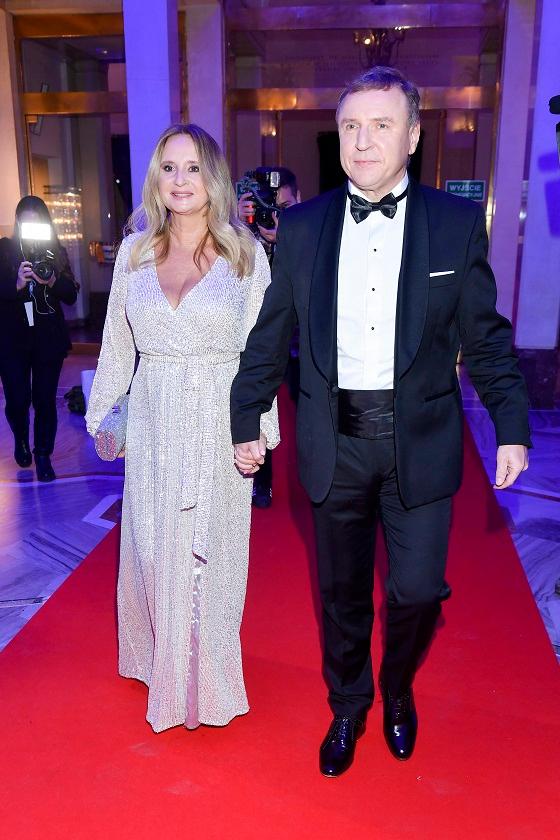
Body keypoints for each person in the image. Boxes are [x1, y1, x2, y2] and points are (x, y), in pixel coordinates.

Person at [231, 66, 531, 776]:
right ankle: (349, 703)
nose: (362, 142)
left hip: (419, 443)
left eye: (381, 125)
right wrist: (246, 416)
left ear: (414, 136)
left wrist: (512, 425)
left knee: (418, 590)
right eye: (351, 127)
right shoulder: (302, 228)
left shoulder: (454, 226)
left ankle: (398, 686)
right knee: (339, 595)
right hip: (333, 441)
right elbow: (270, 336)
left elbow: (485, 337)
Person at [85, 124, 279, 733]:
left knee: (213, 553)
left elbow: (262, 353)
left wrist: (257, 430)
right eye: (169, 168)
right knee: (153, 547)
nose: (180, 180)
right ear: (155, 179)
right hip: (153, 420)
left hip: (220, 419)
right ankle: (162, 663)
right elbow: (117, 344)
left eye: (193, 167)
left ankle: (210, 681)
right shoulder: (134, 254)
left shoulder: (245, 254)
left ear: (213, 176)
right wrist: (105, 413)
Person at [0, 195, 78, 482]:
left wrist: (52, 279)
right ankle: (21, 439)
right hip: (12, 339)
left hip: (48, 338)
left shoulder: (55, 251)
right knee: (17, 399)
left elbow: (70, 295)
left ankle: (43, 454)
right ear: (18, 222)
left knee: (44, 399)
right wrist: (17, 283)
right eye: (26, 222)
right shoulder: (5, 249)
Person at [238, 167, 301, 507]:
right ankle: (262, 480)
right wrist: (235, 225)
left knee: (307, 410)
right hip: (254, 339)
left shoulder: (308, 231)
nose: (274, 217)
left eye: (285, 208)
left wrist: (286, 239)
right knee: (258, 404)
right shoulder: (240, 240)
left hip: (299, 340)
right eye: (267, 208)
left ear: (299, 200)